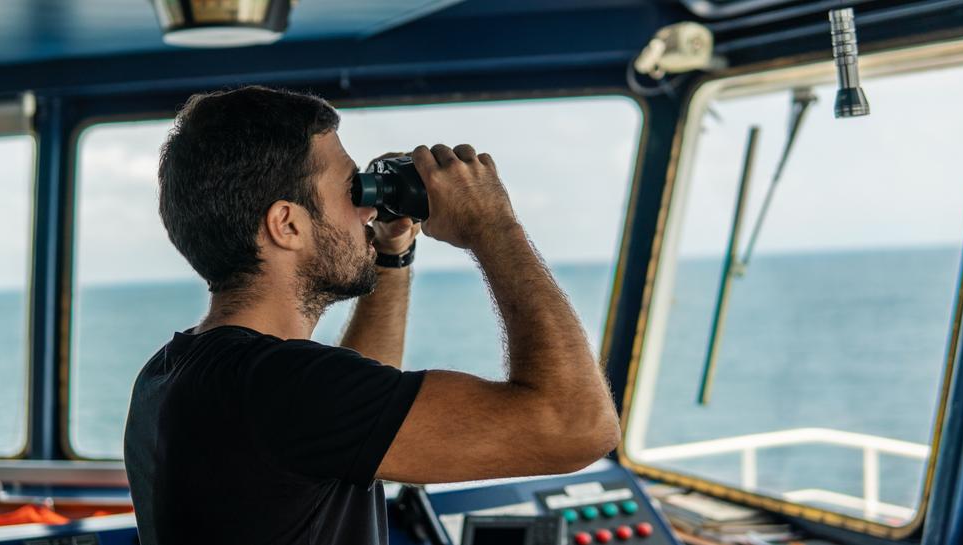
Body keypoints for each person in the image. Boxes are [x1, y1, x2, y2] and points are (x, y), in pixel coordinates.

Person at [123, 86, 621, 545]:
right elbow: (578, 427)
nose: (367, 209)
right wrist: (493, 224)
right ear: (287, 225)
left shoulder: (172, 370)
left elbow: (350, 425)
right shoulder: (281, 387)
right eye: (351, 190)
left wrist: (393, 251)